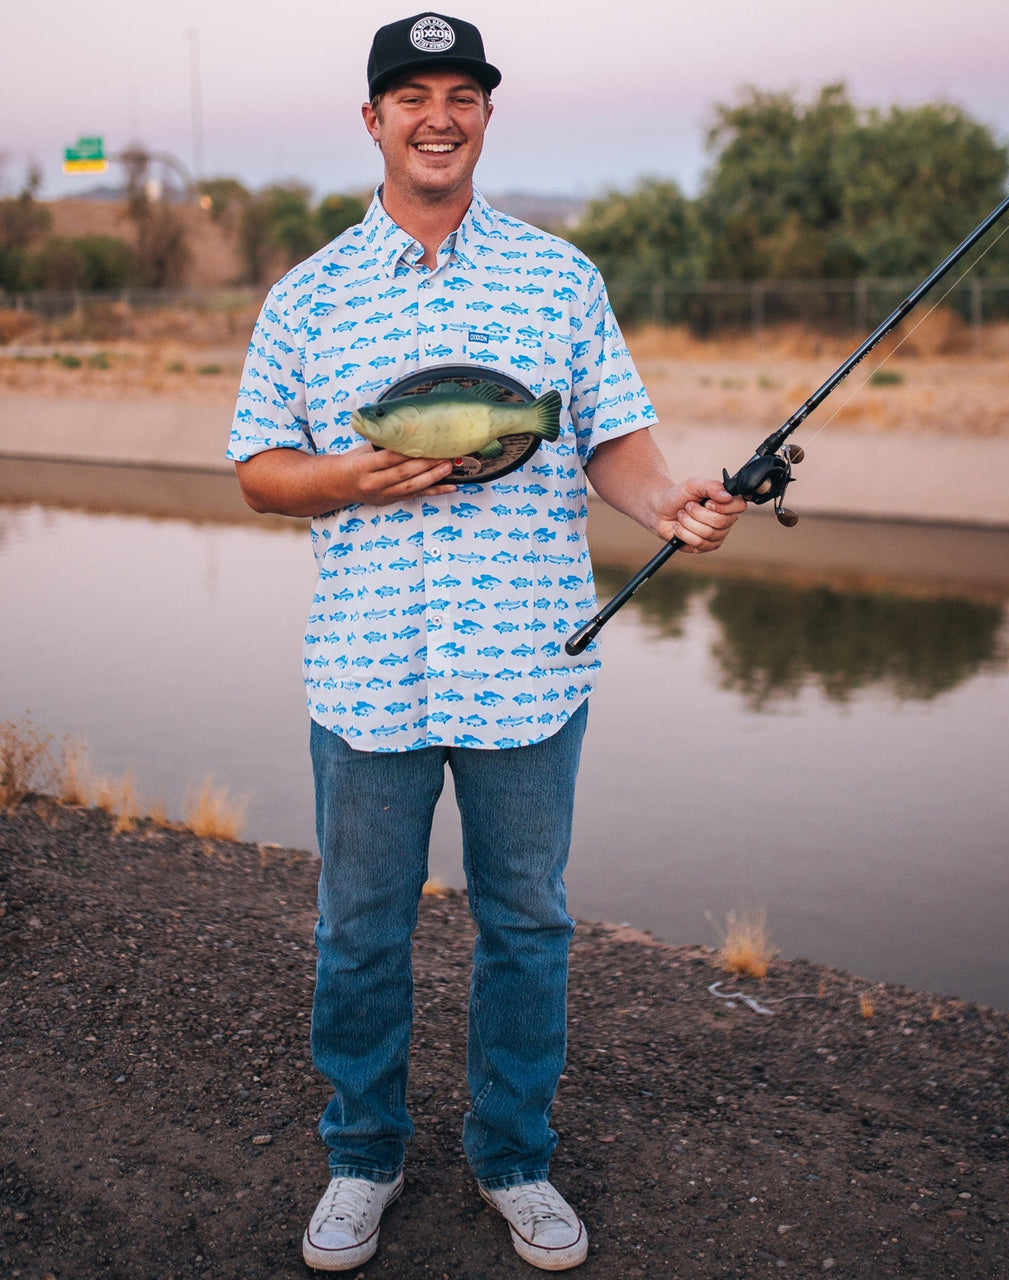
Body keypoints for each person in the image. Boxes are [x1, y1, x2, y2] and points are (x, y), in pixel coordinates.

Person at [228, 12, 746, 1272]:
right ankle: (362, 1154)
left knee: (527, 925)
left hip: (531, 666)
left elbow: (609, 441)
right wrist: (347, 478)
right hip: (365, 674)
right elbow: (256, 468)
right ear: (373, 121)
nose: (438, 116)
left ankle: (513, 1155)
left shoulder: (560, 279)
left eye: (461, 93)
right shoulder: (307, 295)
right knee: (359, 929)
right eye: (412, 96)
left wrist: (667, 502)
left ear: (485, 117)